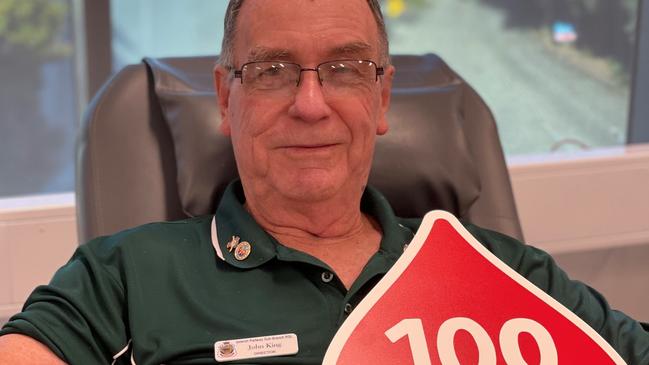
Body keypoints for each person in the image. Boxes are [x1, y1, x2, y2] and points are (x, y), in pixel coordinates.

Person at [1, 0, 648, 363]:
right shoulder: (126, 274)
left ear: (381, 95)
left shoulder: (503, 267)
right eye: (274, 69)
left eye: (342, 68)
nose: (310, 104)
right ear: (227, 98)